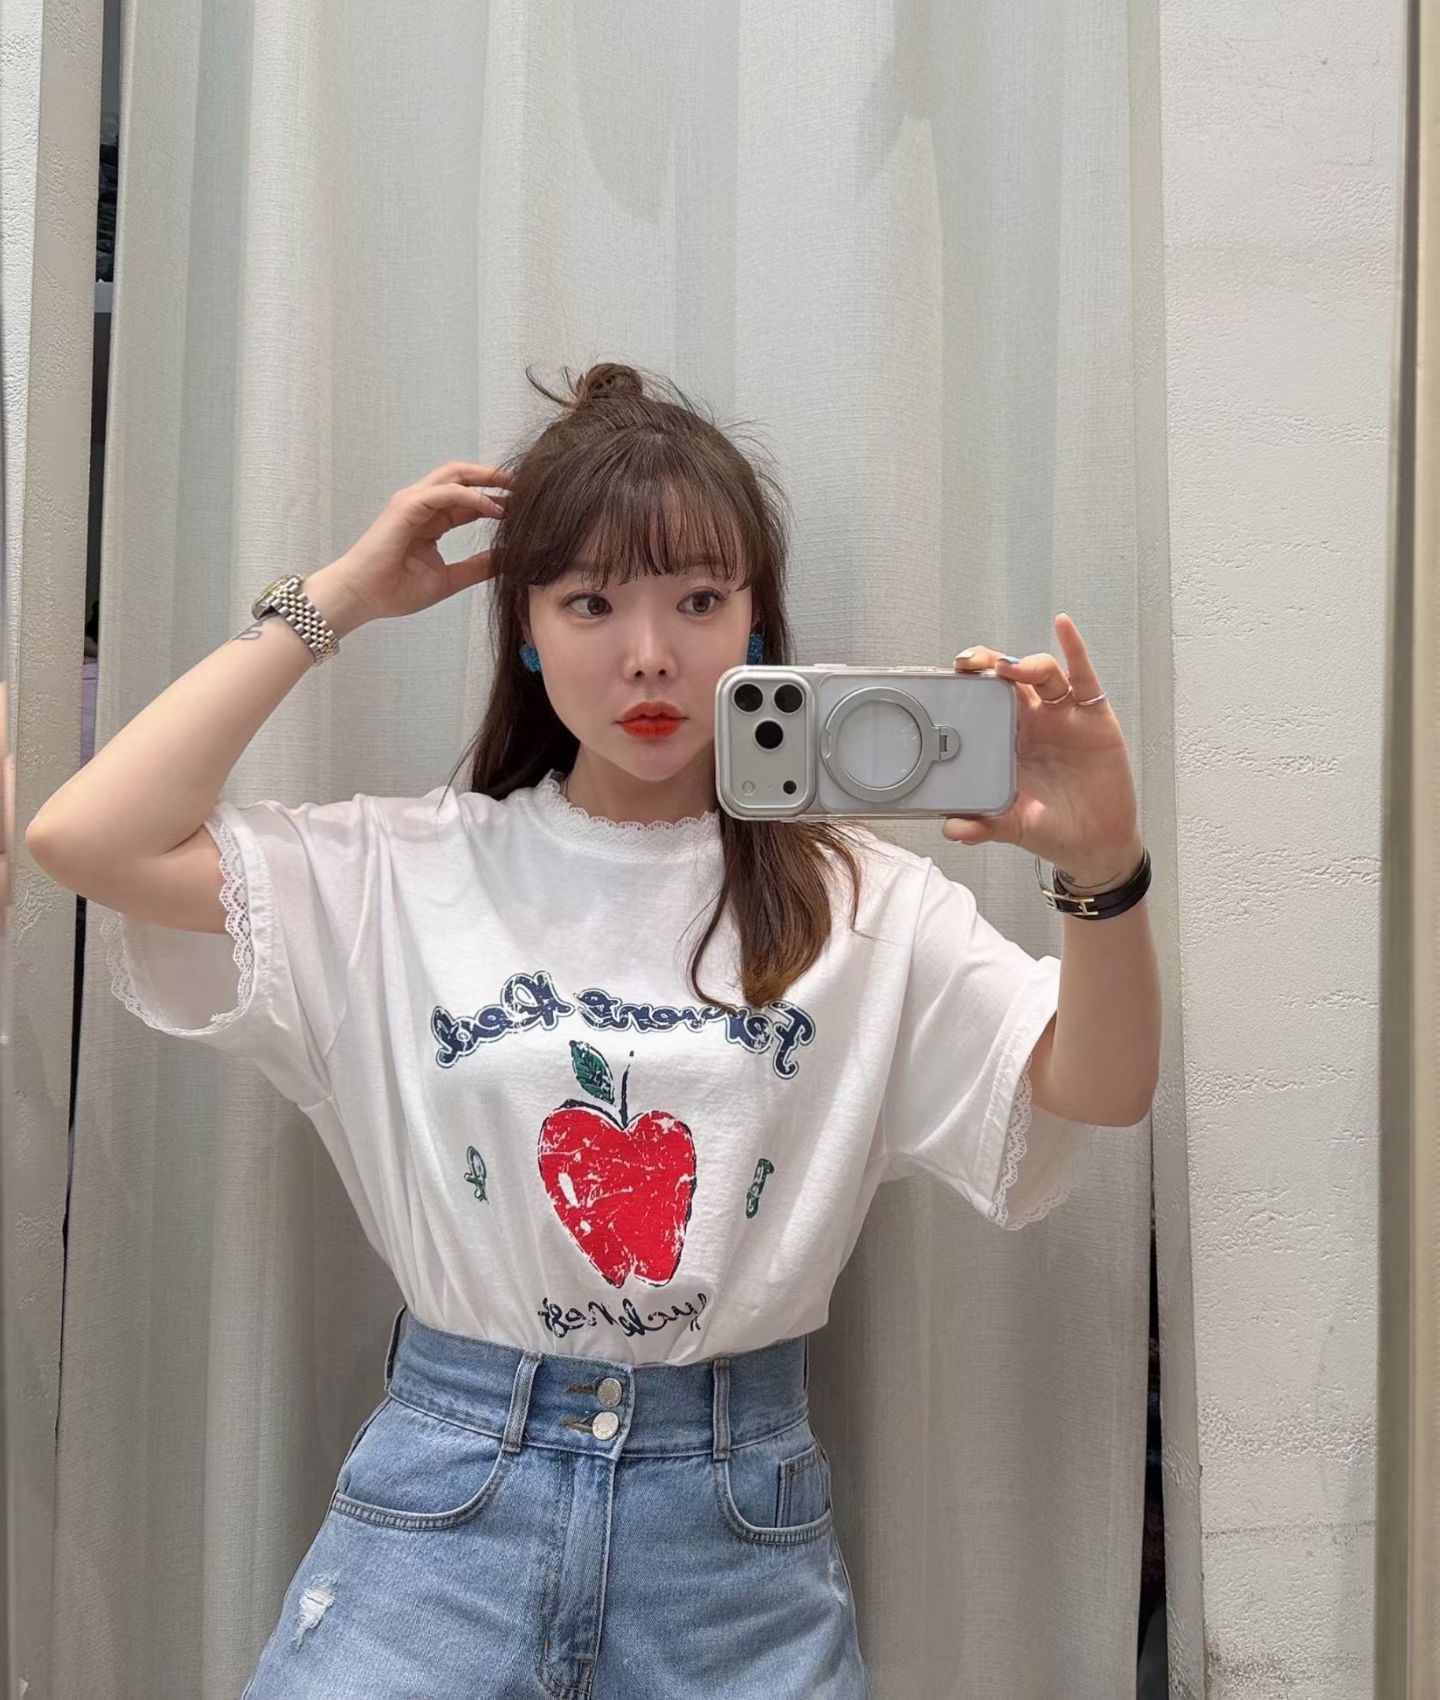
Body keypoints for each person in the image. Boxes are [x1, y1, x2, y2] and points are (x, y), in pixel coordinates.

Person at [27, 361, 1159, 1697]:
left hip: (731, 1544)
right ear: (523, 629)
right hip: (449, 1509)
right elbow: (83, 838)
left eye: (699, 600)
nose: (649, 654)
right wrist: (336, 601)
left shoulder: (860, 900)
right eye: (590, 602)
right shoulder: (402, 872)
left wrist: (1102, 868)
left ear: (757, 623)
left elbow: (1097, 1085)